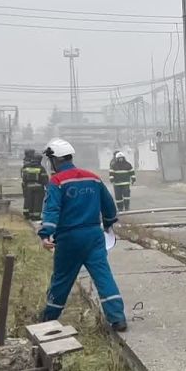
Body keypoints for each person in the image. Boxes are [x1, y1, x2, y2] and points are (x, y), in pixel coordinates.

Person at [38, 138, 127, 332]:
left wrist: (46, 234)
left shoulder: (57, 181)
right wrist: (109, 223)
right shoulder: (92, 178)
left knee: (62, 279)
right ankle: (118, 318)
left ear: (56, 160)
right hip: (94, 237)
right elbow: (109, 205)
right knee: (103, 277)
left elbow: (52, 210)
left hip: (69, 239)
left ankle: (48, 318)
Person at [20, 149, 49, 220]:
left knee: (28, 200)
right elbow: (45, 179)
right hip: (39, 187)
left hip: (28, 186)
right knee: (37, 202)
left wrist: (25, 185)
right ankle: (36, 216)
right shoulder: (41, 168)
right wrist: (47, 187)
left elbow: (24, 177)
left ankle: (27, 214)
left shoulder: (27, 167)